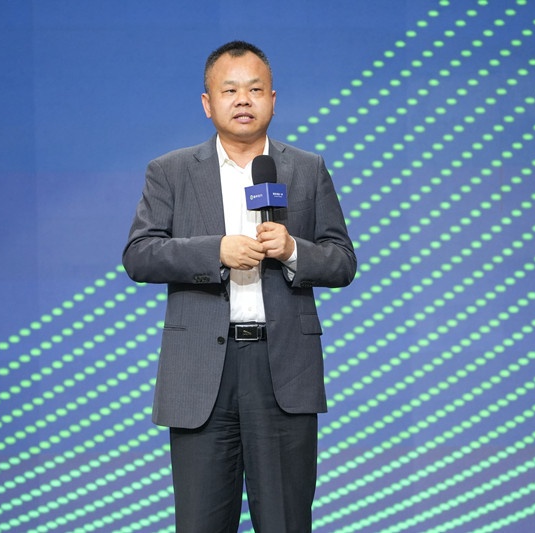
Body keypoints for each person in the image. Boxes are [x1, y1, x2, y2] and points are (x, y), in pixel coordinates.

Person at [122, 40, 356, 532]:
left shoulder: (307, 169)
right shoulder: (171, 171)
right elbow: (139, 254)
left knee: (286, 522)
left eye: (255, 89)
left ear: (273, 99)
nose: (243, 100)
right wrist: (216, 252)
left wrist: (292, 250)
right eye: (229, 90)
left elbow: (342, 261)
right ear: (208, 104)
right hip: (202, 373)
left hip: (282, 369)